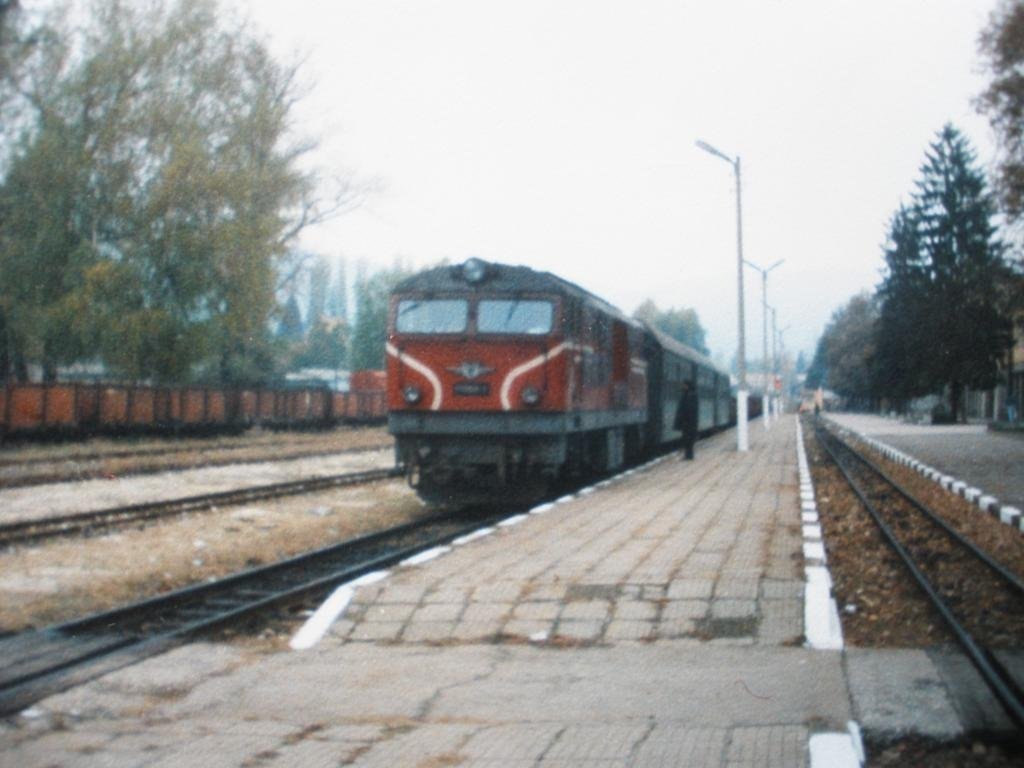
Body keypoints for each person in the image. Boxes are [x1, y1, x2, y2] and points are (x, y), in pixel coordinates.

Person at [674, 380, 697, 460]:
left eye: (684, 385)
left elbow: (688, 409)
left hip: (688, 422)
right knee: (687, 439)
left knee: (688, 439)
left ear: (687, 386)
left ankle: (689, 456)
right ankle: (688, 455)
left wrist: (684, 419)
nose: (683, 386)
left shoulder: (690, 395)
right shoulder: (689, 394)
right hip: (688, 422)